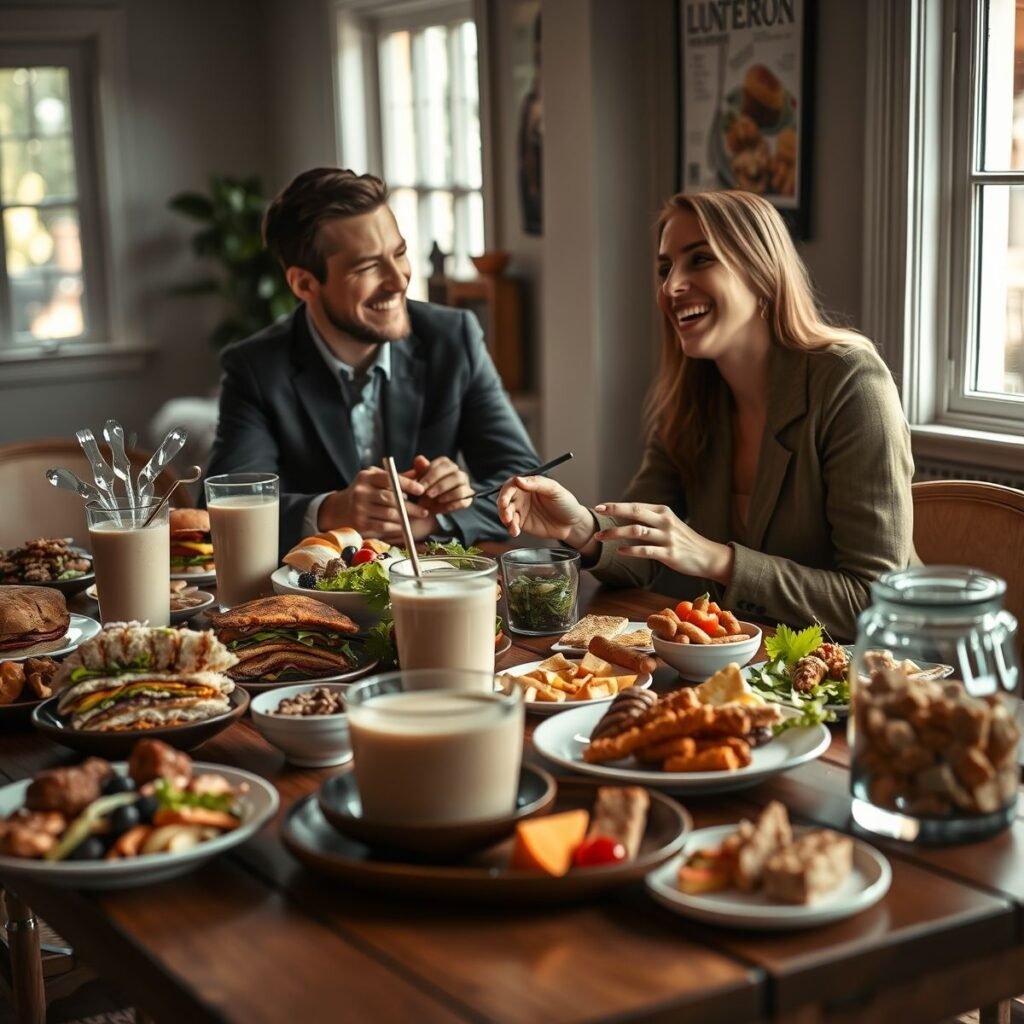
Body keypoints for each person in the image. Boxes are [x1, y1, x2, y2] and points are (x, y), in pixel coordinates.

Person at [497, 189, 915, 639]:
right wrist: (580, 527)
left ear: (761, 272)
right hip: (747, 670)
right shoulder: (692, 398)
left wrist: (718, 560)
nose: (671, 287)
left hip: (875, 678)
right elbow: (643, 546)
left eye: (699, 260)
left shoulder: (850, 381)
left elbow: (877, 599)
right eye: (665, 269)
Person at [205, 168, 539, 553]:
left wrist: (439, 516)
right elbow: (220, 511)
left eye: (399, 253)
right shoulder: (256, 368)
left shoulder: (454, 337)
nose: (398, 280)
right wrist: (330, 511)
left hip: (434, 586)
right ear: (304, 284)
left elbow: (524, 478)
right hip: (308, 599)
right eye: (366, 266)